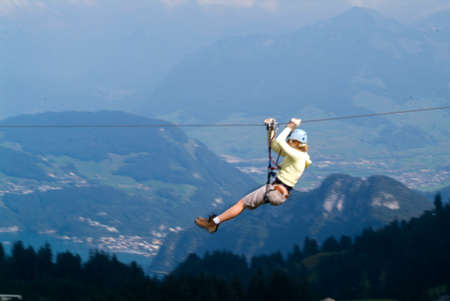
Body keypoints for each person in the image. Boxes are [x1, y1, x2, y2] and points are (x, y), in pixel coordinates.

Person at [195, 117, 312, 233]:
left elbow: (280, 142)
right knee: (243, 204)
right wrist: (270, 130)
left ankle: (213, 223)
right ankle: (214, 222)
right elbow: (274, 146)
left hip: (276, 190)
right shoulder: (298, 156)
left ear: (295, 142)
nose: (288, 143)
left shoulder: (298, 156)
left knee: (242, 203)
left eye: (290, 141)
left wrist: (290, 126)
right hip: (279, 192)